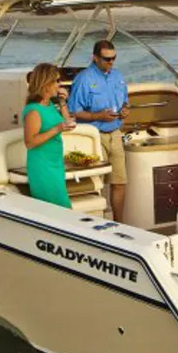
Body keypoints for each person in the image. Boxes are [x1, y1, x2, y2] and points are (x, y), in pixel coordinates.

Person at [67, 40, 130, 222]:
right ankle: (99, 224)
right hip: (93, 136)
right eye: (106, 59)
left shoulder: (118, 76)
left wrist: (125, 109)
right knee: (97, 183)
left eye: (113, 58)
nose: (111, 62)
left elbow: (125, 101)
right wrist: (98, 116)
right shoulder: (84, 79)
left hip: (115, 133)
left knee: (119, 181)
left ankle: (119, 223)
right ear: (95, 58)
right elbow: (74, 111)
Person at [23, 63, 75, 208]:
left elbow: (67, 123)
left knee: (60, 209)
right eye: (57, 81)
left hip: (56, 163)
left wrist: (62, 101)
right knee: (61, 208)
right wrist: (56, 129)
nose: (60, 84)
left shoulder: (49, 104)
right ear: (46, 84)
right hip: (43, 166)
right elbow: (30, 142)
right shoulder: (34, 110)